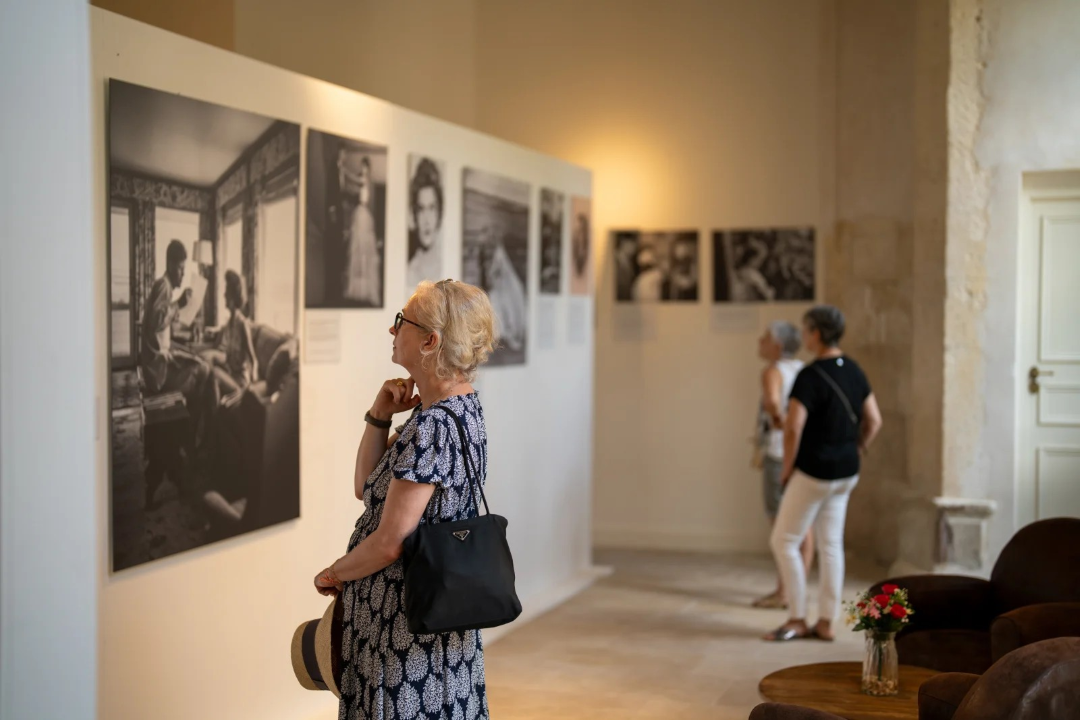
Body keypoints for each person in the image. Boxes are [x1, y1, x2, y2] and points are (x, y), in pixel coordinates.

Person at [313, 280, 496, 720]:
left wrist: (334, 573)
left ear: (431, 340)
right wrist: (378, 416)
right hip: (431, 622)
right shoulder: (455, 409)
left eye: (402, 322)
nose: (392, 331)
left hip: (403, 629)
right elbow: (366, 486)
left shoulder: (433, 425)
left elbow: (391, 541)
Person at [764, 306, 882, 642]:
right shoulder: (855, 370)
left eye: (805, 329)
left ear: (816, 333)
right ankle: (826, 622)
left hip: (814, 471)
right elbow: (874, 420)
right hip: (847, 471)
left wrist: (787, 470)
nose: (803, 335)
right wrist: (857, 448)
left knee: (783, 540)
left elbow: (793, 428)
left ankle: (798, 618)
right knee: (831, 544)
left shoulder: (811, 375)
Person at [751, 322, 812, 609]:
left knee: (781, 525)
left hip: (779, 453)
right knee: (804, 524)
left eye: (764, 337)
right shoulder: (802, 369)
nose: (760, 341)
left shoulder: (773, 371)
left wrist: (780, 423)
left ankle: (784, 592)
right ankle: (793, 589)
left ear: (777, 345)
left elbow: (774, 404)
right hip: (802, 452)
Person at [140, 239, 210, 440]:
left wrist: (180, 308)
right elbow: (156, 321)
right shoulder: (164, 286)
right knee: (203, 371)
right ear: (171, 265)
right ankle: (189, 432)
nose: (182, 274)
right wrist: (179, 303)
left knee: (193, 358)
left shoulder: (164, 287)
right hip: (157, 373)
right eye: (180, 268)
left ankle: (184, 428)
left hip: (156, 364)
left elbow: (162, 323)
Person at [204, 270, 257, 407]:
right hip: (231, 373)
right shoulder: (230, 323)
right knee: (207, 370)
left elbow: (253, 360)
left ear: (233, 296)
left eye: (226, 292)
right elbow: (223, 341)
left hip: (240, 380)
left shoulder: (242, 324)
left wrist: (251, 388)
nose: (223, 295)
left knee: (214, 375)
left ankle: (212, 423)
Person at [342, 152, 382, 306]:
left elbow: (354, 180)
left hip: (363, 213)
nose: (362, 168)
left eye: (364, 166)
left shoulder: (365, 179)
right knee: (358, 249)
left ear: (367, 167)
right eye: (362, 166)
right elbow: (355, 188)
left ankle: (363, 290)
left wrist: (344, 171)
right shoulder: (364, 180)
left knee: (363, 250)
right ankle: (357, 289)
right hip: (361, 212)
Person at [406, 158, 443, 288]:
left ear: (439, 213)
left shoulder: (446, 260)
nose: (426, 220)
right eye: (421, 209)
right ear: (415, 215)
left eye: (432, 208)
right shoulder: (410, 271)